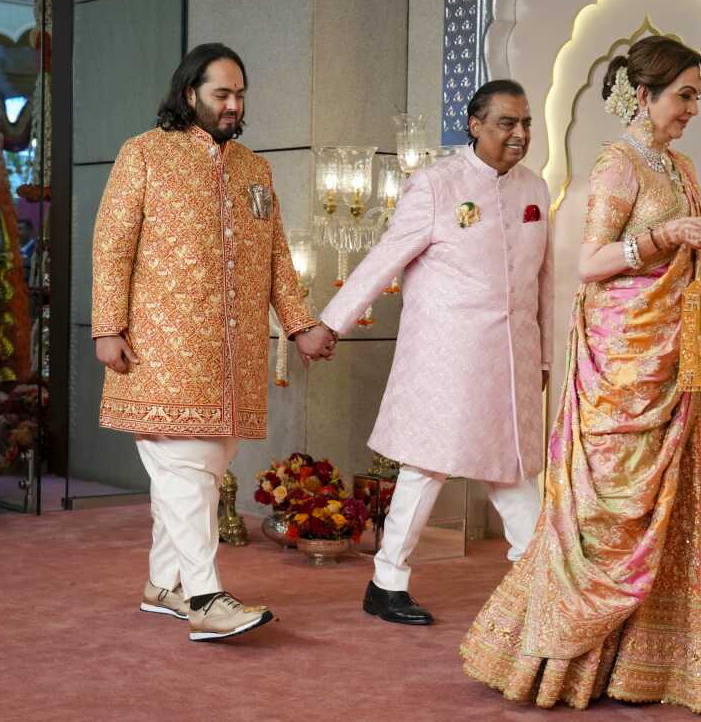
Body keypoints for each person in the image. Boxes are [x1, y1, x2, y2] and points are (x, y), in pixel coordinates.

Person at [460, 36, 701, 714]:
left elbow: (678, 241)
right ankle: (562, 662)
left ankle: (647, 666)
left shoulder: (679, 165)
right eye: (683, 96)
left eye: (697, 99)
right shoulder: (617, 164)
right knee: (606, 516)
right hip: (622, 365)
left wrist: (699, 243)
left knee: (667, 511)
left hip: (673, 357)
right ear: (643, 94)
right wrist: (666, 236)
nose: (691, 110)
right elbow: (589, 263)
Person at [91, 43, 335, 642]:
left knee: (204, 465)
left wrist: (300, 325)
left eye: (240, 94)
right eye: (222, 94)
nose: (233, 105)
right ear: (189, 95)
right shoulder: (143, 155)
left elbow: (277, 256)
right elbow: (111, 245)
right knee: (185, 470)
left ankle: (162, 583)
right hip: (162, 348)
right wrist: (105, 326)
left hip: (234, 356)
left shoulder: (255, 168)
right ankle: (203, 597)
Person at [320, 80, 552, 626]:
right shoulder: (436, 184)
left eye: (525, 124)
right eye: (506, 123)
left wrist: (543, 358)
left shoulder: (535, 189)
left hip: (513, 356)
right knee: (427, 466)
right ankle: (387, 582)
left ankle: (537, 577)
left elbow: (546, 282)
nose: (519, 134)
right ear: (474, 124)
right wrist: (330, 323)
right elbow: (385, 258)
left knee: (514, 468)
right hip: (447, 356)